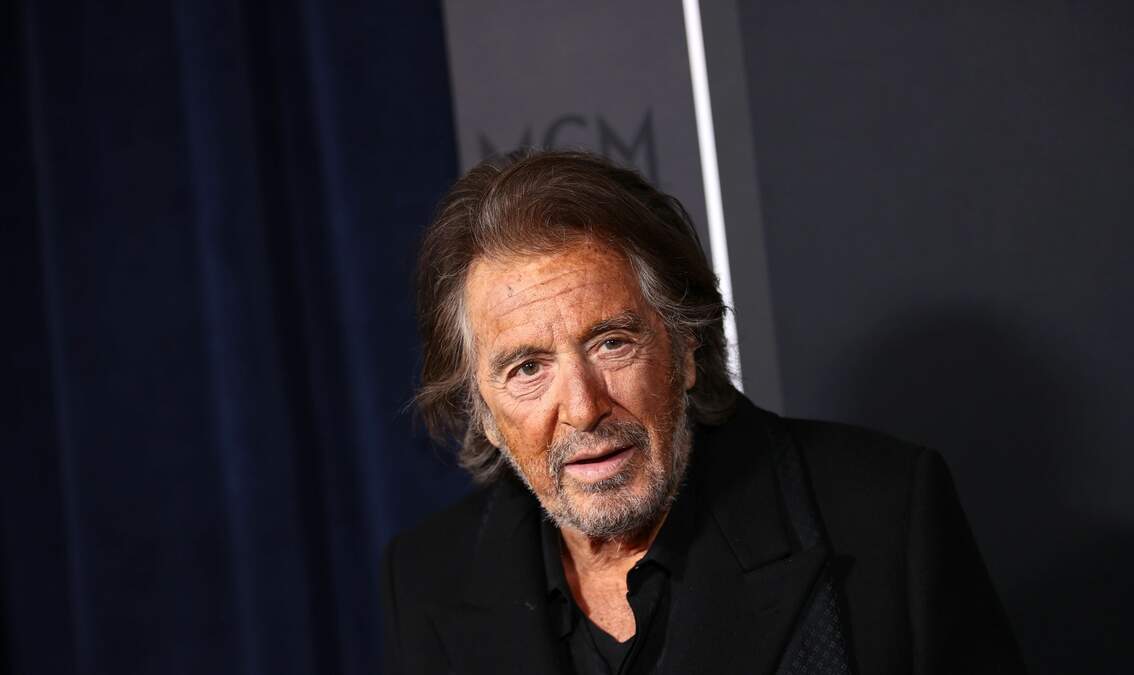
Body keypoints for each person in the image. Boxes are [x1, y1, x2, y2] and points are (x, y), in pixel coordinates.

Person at [381, 150, 1024, 674]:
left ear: (686, 347)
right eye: (528, 368)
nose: (582, 408)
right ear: (482, 412)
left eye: (612, 343)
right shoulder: (425, 580)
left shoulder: (883, 515)